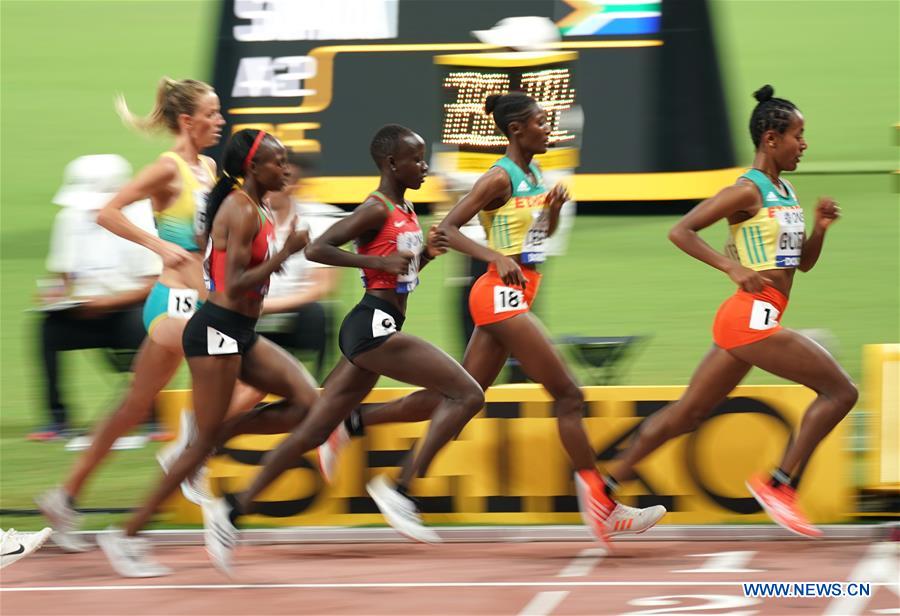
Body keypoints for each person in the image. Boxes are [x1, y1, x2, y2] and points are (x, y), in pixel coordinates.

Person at [319, 94, 665, 546]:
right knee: (568, 395)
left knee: (456, 396)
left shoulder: (535, 176)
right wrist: (493, 257)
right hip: (499, 296)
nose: (549, 128)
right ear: (517, 129)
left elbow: (534, 242)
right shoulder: (498, 177)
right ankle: (602, 506)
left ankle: (352, 422)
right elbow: (446, 230)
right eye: (541, 122)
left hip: (517, 291)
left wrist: (551, 214)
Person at [200, 124, 484, 571]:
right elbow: (317, 249)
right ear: (392, 164)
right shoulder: (375, 208)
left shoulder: (406, 208)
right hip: (372, 327)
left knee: (313, 431)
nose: (425, 166)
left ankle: (232, 508)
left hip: (380, 324)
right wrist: (375, 260)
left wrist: (426, 254)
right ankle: (400, 488)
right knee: (467, 394)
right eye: (416, 159)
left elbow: (400, 273)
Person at [596, 85, 856, 538]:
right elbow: (682, 231)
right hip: (751, 318)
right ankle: (779, 484)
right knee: (840, 392)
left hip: (751, 319)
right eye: (798, 135)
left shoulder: (786, 191)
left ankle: (604, 492)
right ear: (771, 139)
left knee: (688, 414)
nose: (804, 144)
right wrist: (731, 267)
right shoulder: (746, 190)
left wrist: (820, 229)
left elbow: (801, 264)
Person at [37, 78, 263, 553]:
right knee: (250, 371)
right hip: (172, 303)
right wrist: (159, 246)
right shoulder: (167, 168)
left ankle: (63, 497)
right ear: (188, 121)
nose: (220, 120)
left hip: (204, 301)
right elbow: (109, 212)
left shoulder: (209, 168)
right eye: (212, 113)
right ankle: (191, 445)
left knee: (134, 407)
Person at [98, 129, 319, 578]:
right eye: (278, 162)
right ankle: (125, 535)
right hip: (218, 332)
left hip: (241, 332)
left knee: (307, 403)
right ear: (253, 167)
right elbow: (232, 284)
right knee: (200, 446)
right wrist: (285, 254)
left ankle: (209, 437)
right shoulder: (241, 209)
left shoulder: (254, 205)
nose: (287, 169)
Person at [29, 155, 161, 442]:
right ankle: (57, 418)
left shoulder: (141, 218)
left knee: (144, 325)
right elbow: (63, 276)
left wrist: (107, 304)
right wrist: (54, 295)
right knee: (47, 329)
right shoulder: (69, 218)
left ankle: (153, 418)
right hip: (85, 312)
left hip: (129, 311)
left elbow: (154, 284)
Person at [257, 159, 343, 380]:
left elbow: (323, 285)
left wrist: (267, 306)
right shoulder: (245, 217)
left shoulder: (319, 219)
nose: (268, 189)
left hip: (296, 312)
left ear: (293, 187)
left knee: (317, 314)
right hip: (251, 307)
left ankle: (318, 386)